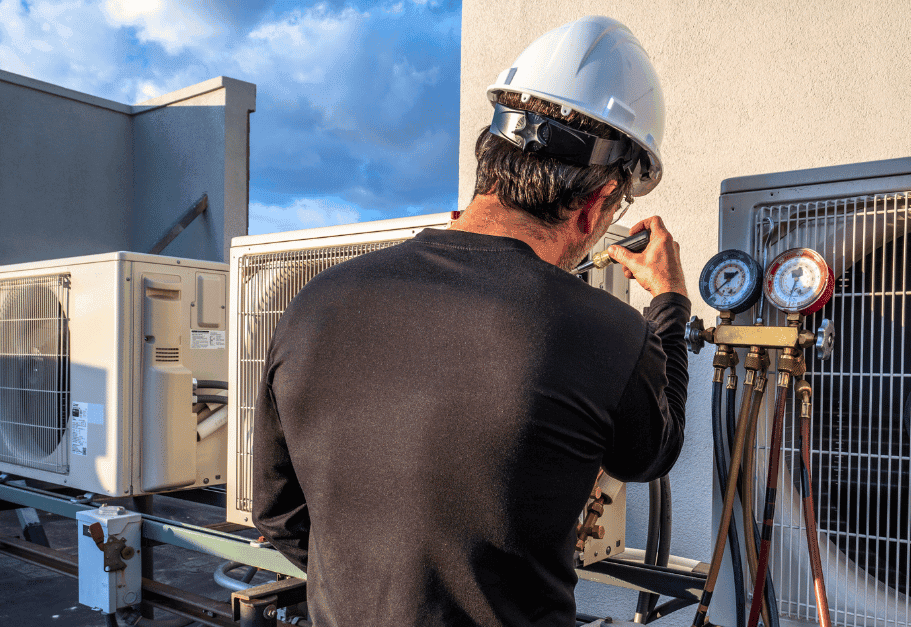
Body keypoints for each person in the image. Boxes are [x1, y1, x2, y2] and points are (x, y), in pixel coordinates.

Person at [253, 15, 689, 627]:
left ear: (490, 157)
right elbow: (652, 452)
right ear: (595, 205)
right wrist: (668, 300)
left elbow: (277, 516)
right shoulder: (606, 331)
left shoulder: (316, 303)